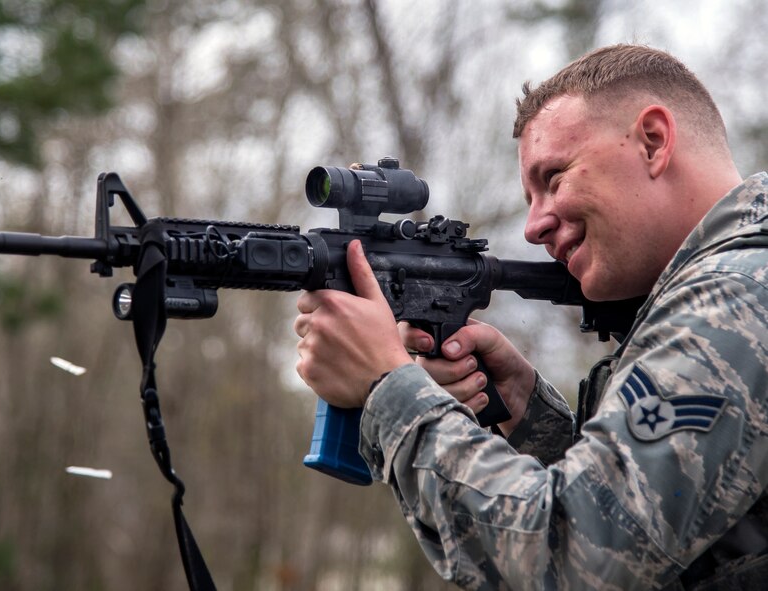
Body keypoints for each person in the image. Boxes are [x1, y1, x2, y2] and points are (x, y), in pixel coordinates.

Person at [293, 44, 768, 590]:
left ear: (653, 142)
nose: (532, 227)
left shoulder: (733, 298)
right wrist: (530, 420)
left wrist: (388, 385)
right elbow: (669, 542)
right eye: (528, 196)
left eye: (555, 177)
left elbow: (571, 562)